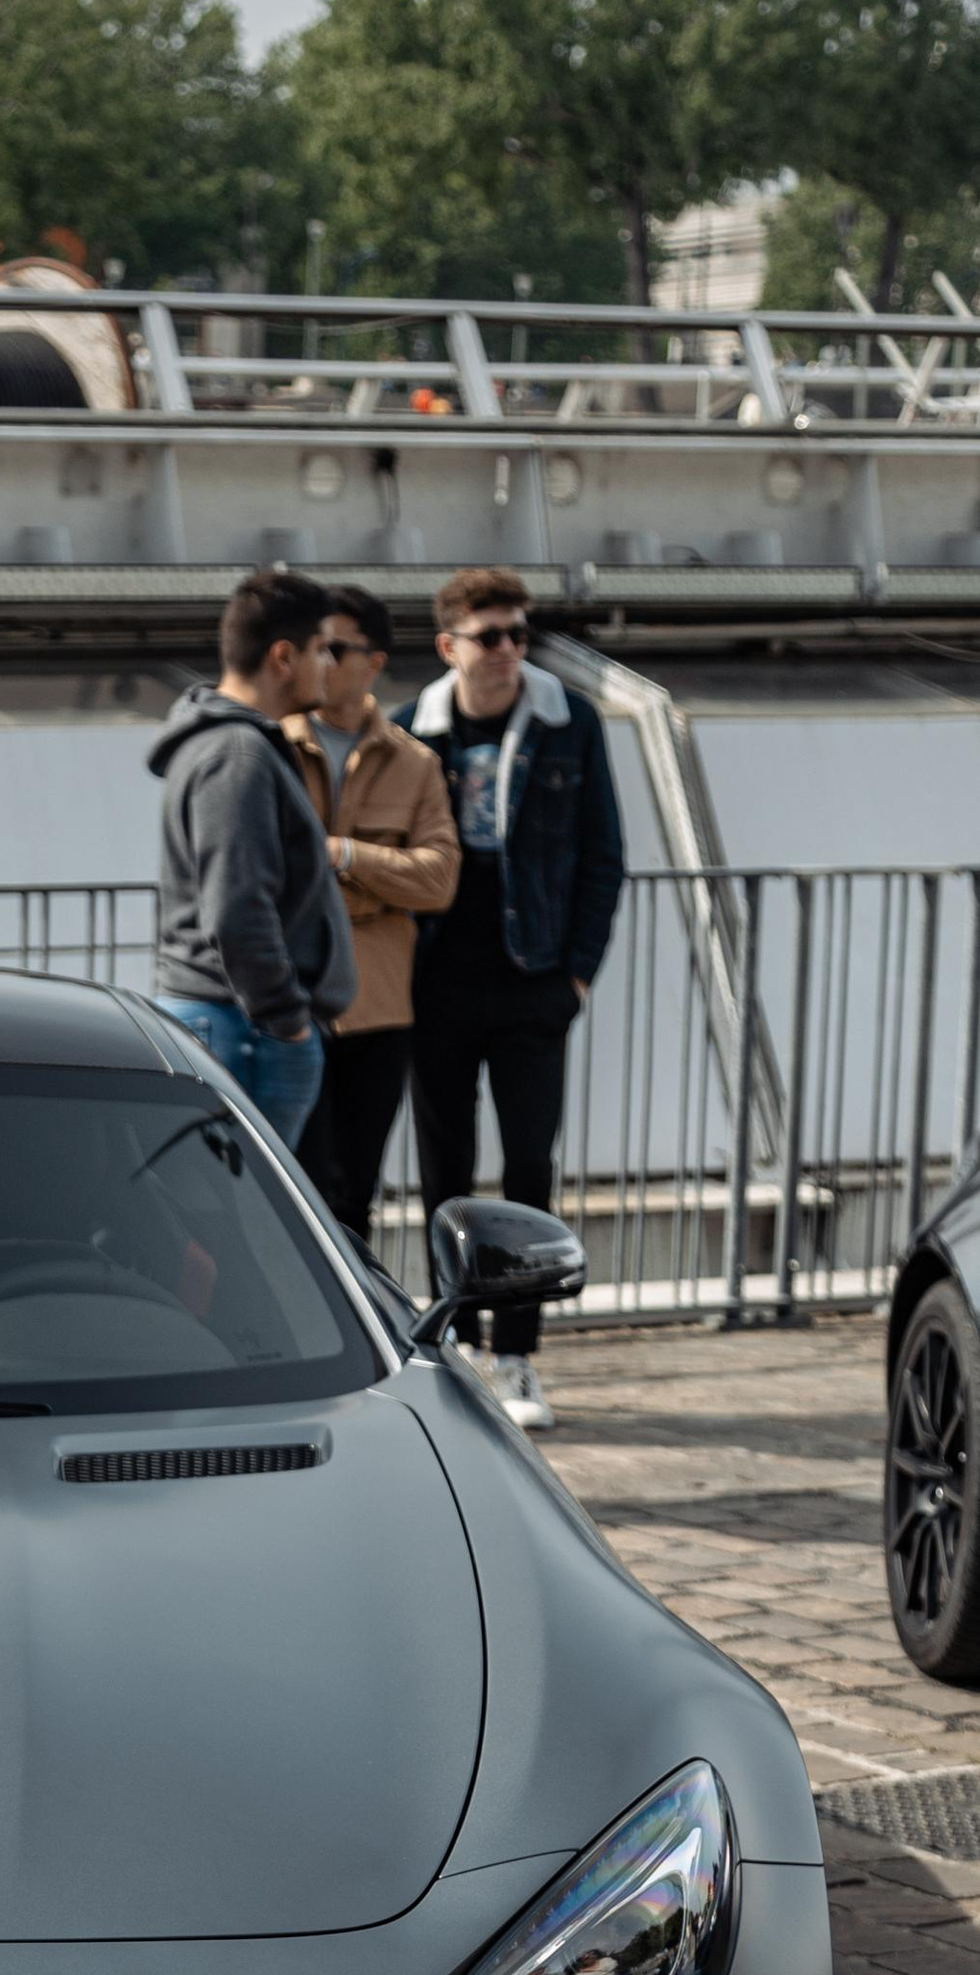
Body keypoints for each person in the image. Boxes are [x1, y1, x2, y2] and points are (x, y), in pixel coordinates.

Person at [404, 565, 625, 1436]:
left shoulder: (570, 724)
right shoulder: (412, 732)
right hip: (438, 979)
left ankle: (517, 1350)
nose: (508, 652)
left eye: (519, 635)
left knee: (530, 1166)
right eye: (490, 636)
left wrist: (576, 974)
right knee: (443, 1168)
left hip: (533, 977)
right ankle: (448, 1337)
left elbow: (604, 855)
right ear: (449, 645)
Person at [147, 569, 357, 1146]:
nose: (331, 666)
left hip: (238, 1023)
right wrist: (287, 1023)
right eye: (323, 650)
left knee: (221, 1220)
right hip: (243, 1031)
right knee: (226, 1226)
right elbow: (237, 909)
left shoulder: (231, 744)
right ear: (283, 657)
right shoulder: (237, 754)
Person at [279, 586, 458, 1256]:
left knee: (354, 1191)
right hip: (287, 1000)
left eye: (337, 647)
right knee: (289, 1184)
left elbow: (439, 879)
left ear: (373, 661)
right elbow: (268, 870)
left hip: (376, 1009)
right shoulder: (272, 745)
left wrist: (345, 856)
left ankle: (355, 1339)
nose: (320, 660)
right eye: (313, 646)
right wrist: (380, 887)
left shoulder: (414, 763)